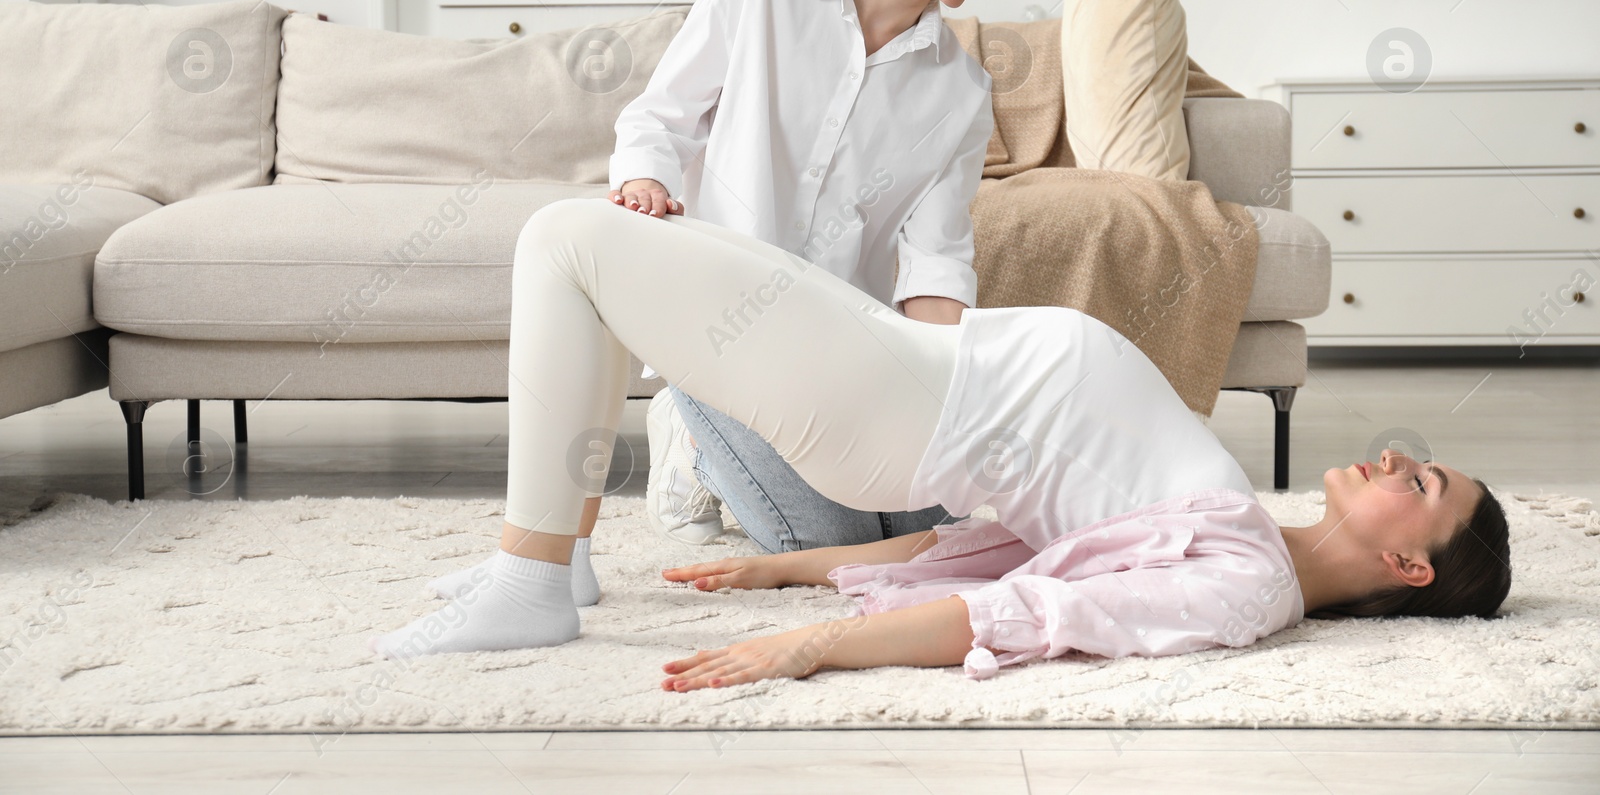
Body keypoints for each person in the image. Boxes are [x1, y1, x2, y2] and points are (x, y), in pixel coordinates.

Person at [373, 199, 1513, 690]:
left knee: (565, 241)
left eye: (1420, 484)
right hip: (902, 368)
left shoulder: (1240, 587)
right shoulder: (1244, 537)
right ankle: (556, 557)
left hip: (897, 403)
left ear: (1412, 566)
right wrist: (779, 570)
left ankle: (530, 580)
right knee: (601, 259)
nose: (1390, 457)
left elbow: (1024, 613)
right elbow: (991, 549)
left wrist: (813, 643)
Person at [605, 0, 1048, 553]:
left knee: (928, 531)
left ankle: (741, 445)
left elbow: (936, 259)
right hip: (719, 330)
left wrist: (943, 401)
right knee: (826, 540)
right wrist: (646, 181)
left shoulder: (961, 91)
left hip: (841, 354)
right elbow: (659, 118)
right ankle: (690, 435)